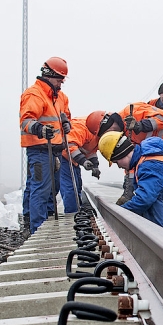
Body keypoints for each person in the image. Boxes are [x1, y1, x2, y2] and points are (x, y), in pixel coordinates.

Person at [98, 131, 163, 229]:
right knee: (149, 191)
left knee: (151, 192)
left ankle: (156, 231)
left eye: (116, 162)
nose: (119, 166)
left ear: (121, 154)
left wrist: (121, 211)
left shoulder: (149, 164)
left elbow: (145, 198)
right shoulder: (142, 161)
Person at [20, 57, 72, 233]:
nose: (61, 83)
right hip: (40, 150)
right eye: (59, 80)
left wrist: (66, 123)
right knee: (41, 190)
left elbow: (65, 115)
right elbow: (26, 121)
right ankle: (38, 229)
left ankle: (47, 221)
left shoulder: (60, 97)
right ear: (49, 75)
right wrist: (40, 129)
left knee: (52, 189)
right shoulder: (34, 94)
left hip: (55, 149)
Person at [59, 111, 105, 213]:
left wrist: (95, 166)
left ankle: (77, 210)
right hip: (64, 158)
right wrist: (83, 161)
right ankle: (72, 215)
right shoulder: (80, 127)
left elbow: (91, 151)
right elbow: (69, 145)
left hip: (73, 160)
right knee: (70, 189)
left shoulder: (96, 133)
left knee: (77, 186)